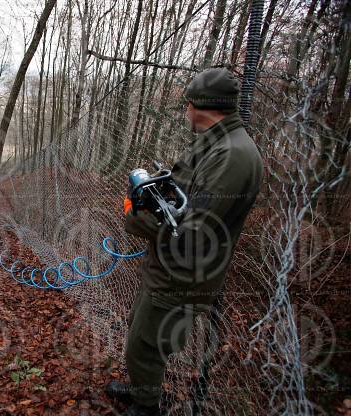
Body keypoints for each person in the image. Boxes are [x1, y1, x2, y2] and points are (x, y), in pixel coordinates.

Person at [105, 68, 264, 416]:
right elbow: (181, 192)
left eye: (187, 104)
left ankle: (146, 408)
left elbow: (192, 233)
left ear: (201, 106)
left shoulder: (232, 156)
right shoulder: (214, 141)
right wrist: (151, 193)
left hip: (184, 274)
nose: (185, 112)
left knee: (147, 344)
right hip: (167, 266)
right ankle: (139, 389)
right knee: (140, 334)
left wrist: (136, 216)